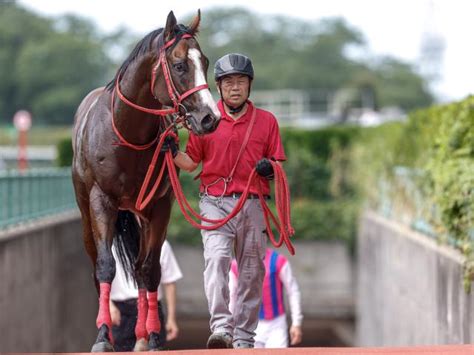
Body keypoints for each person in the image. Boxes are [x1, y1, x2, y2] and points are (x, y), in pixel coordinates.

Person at [164, 53, 287, 349]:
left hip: (253, 203)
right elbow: (192, 162)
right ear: (218, 87)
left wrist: (270, 168)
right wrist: (171, 150)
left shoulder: (267, 121)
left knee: (251, 272)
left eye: (241, 81)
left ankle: (244, 337)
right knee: (217, 260)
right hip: (214, 202)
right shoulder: (207, 119)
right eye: (229, 82)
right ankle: (221, 327)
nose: (235, 87)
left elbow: (278, 164)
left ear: (250, 86)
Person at [109, 239, 183, 351]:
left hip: (152, 309)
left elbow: (169, 282)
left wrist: (171, 318)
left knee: (155, 350)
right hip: (121, 312)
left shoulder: (160, 242)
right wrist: (109, 305)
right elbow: (103, 277)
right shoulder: (112, 244)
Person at [229, 248, 303, 348]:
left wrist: (296, 323)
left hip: (276, 324)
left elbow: (293, 291)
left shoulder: (278, 261)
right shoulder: (236, 265)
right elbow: (232, 297)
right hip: (247, 325)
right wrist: (229, 327)